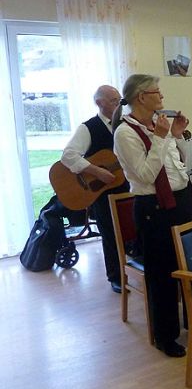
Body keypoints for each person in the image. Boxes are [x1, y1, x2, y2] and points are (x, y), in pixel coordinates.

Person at [113, 74, 192, 358]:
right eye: (156, 92)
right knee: (162, 274)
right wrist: (161, 138)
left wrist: (175, 134)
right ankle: (165, 336)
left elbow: (177, 165)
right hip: (154, 208)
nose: (162, 97)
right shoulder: (125, 133)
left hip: (181, 199)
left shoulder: (157, 124)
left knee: (191, 263)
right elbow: (146, 174)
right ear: (141, 97)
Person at [60, 85, 129, 293]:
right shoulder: (88, 127)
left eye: (120, 100)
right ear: (100, 103)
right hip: (101, 190)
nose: (119, 105)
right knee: (110, 233)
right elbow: (68, 155)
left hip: (126, 186)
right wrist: (97, 172)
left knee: (130, 230)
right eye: (114, 100)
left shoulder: (126, 124)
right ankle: (115, 277)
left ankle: (134, 271)